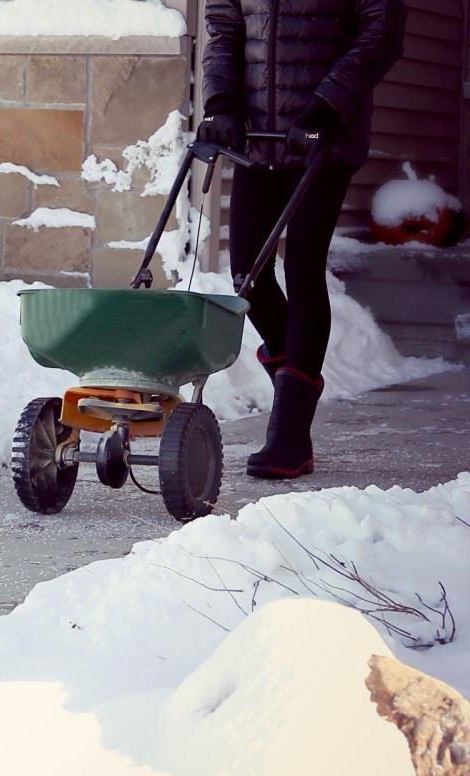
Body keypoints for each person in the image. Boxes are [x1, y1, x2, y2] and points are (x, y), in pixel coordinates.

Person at [198, 0, 406, 479]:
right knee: (247, 276)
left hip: (323, 135)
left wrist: (326, 106)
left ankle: (290, 433)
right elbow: (224, 32)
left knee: (302, 269)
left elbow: (380, 35)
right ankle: (300, 386)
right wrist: (221, 104)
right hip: (259, 139)